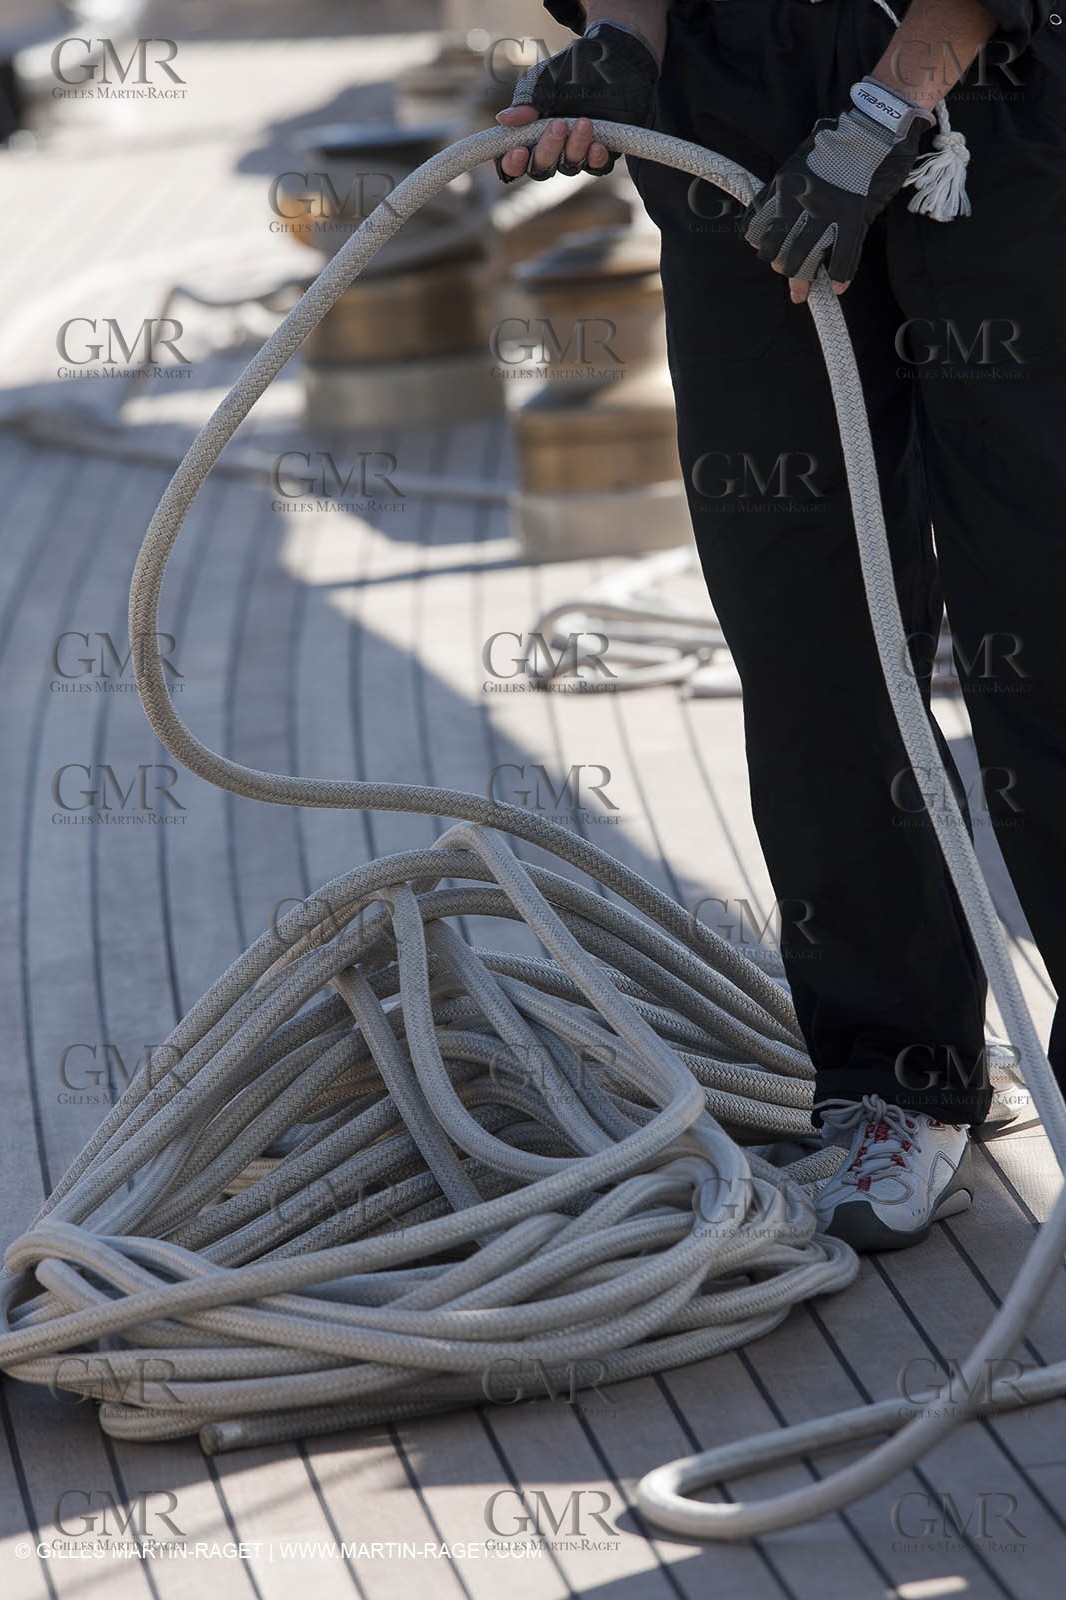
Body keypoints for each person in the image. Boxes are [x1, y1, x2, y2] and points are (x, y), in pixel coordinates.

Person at [496, 0, 1066, 1250]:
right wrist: (624, 46)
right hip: (736, 93)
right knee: (805, 625)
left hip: (989, 93)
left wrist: (882, 110)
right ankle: (890, 1081)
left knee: (1042, 600)